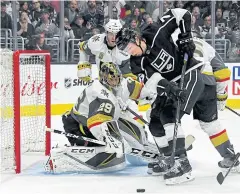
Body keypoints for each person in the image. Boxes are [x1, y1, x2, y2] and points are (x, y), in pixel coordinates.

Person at [116, 8, 239, 185]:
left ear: (137, 38)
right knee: (157, 121)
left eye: (129, 47)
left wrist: (187, 35)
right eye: (126, 50)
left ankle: (182, 165)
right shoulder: (137, 63)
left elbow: (181, 13)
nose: (130, 52)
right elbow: (152, 81)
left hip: (192, 74)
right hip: (178, 84)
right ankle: (172, 158)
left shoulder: (154, 31)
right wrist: (168, 87)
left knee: (169, 113)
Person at [45, 62, 182, 173]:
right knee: (115, 161)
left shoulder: (123, 84)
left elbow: (142, 91)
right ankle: (62, 156)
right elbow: (97, 121)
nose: (115, 81)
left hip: (107, 119)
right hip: (80, 126)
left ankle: (156, 151)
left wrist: (157, 98)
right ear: (104, 78)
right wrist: (113, 140)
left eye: (117, 77)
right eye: (112, 79)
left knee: (136, 131)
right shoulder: (98, 92)